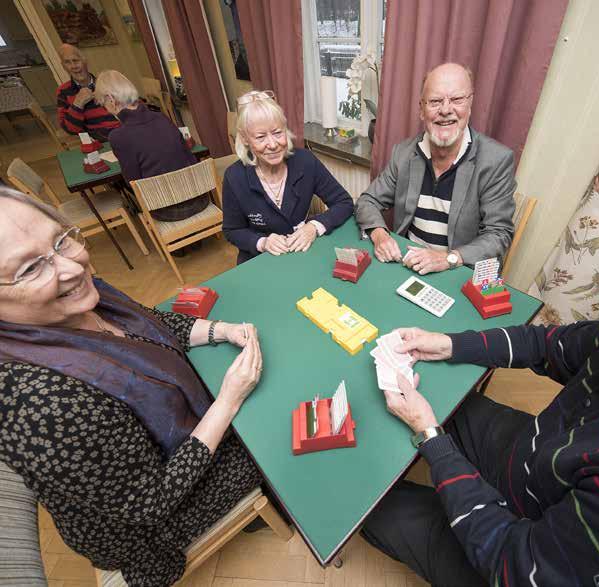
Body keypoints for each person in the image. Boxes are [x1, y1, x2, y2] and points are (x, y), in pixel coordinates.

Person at [363, 177, 599, 586]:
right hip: (534, 458)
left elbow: (513, 565)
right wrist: (448, 344)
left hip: (510, 550)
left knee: (369, 508)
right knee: (443, 397)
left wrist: (432, 440)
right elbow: (545, 345)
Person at [0, 187, 266, 586]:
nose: (72, 268)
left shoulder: (85, 293)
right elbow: (151, 502)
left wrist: (220, 330)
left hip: (161, 468)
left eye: (60, 241)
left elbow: (148, 327)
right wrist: (227, 402)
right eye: (29, 269)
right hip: (145, 530)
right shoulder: (40, 404)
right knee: (265, 445)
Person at [355, 63, 515, 274]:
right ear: (421, 109)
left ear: (470, 104)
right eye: (435, 101)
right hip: (408, 266)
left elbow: (499, 234)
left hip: (457, 272)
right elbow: (367, 201)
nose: (446, 110)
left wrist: (449, 259)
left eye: (457, 99)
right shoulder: (403, 153)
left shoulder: (496, 160)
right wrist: (379, 234)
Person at [222, 91, 354, 265]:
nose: (273, 144)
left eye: (277, 133)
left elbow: (344, 203)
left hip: (303, 254)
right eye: (261, 137)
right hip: (260, 261)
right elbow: (233, 230)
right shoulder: (234, 177)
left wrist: (314, 226)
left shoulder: (306, 161)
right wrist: (262, 242)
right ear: (246, 139)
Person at [94, 70, 208, 222]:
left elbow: (133, 182)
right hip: (200, 198)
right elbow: (187, 155)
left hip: (168, 211)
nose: (105, 109)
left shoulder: (118, 136)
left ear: (111, 99)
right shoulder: (161, 117)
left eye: (103, 104)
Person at [56, 44, 120, 143]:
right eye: (67, 62)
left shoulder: (107, 82)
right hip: (99, 142)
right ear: (63, 66)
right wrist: (77, 104)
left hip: (123, 133)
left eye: (76, 60)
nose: (74, 66)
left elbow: (131, 109)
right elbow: (71, 130)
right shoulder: (63, 91)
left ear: (84, 61)